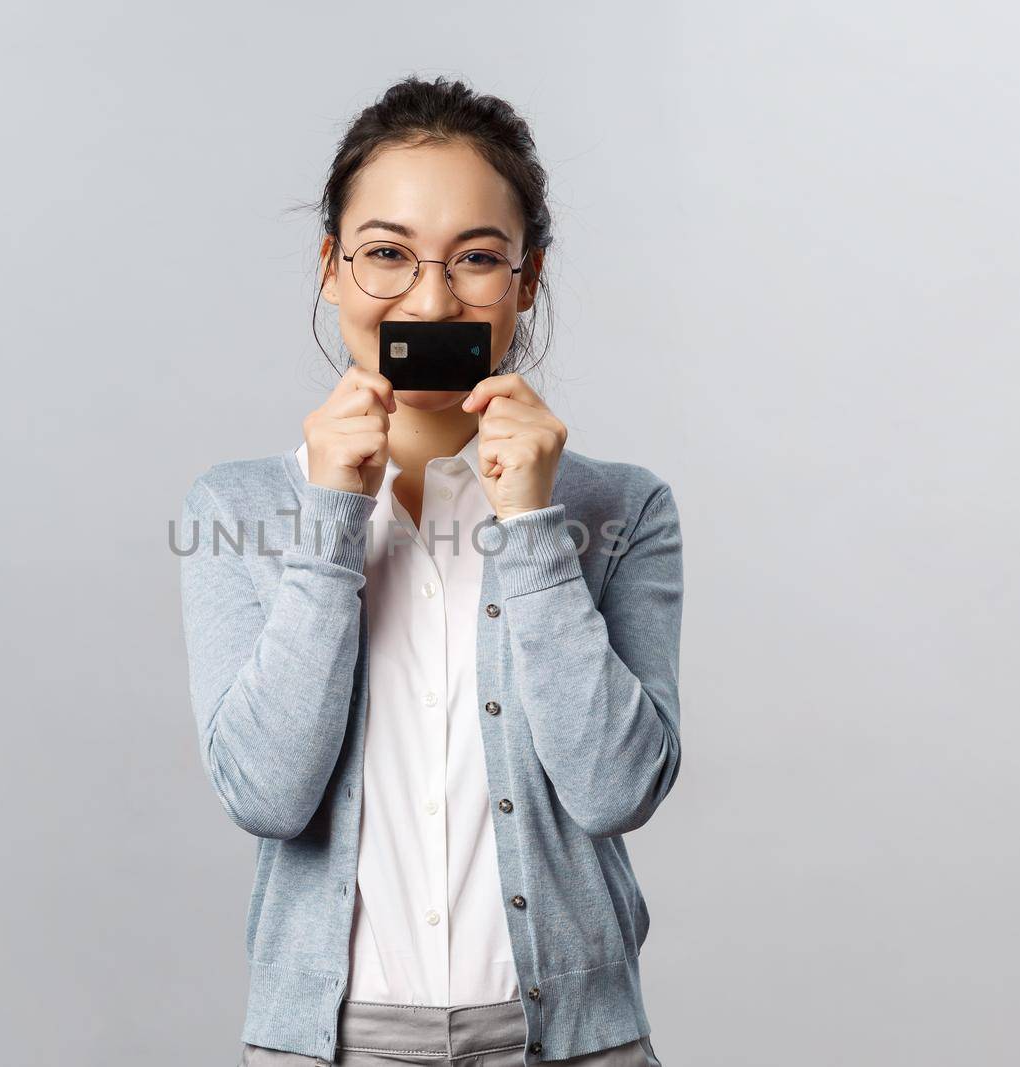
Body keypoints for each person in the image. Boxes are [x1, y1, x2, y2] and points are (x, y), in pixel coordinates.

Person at [177, 75, 682, 1067]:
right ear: (332, 267)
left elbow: (617, 787)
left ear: (526, 280)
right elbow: (267, 794)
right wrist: (331, 516)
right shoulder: (236, 509)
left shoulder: (621, 508)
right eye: (387, 255)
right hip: (329, 1044)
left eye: (477, 259)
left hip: (571, 1044)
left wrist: (532, 521)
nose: (431, 298)